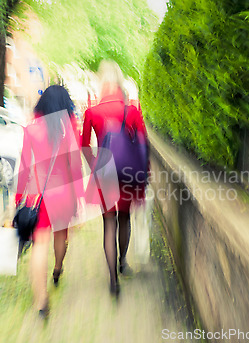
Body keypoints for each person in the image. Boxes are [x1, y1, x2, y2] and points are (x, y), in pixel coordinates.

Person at [15, 85, 84, 318]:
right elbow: (75, 167)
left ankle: (41, 301)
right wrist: (81, 199)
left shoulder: (31, 129)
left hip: (40, 196)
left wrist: (18, 199)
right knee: (62, 235)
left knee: (39, 245)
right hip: (64, 193)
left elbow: (24, 168)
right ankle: (57, 269)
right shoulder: (68, 130)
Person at [82, 61, 148, 296]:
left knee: (108, 222)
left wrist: (94, 165)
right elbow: (142, 144)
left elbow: (84, 146)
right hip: (128, 172)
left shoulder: (92, 112)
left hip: (105, 172)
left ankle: (113, 280)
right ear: (119, 82)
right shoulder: (132, 110)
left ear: (102, 83)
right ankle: (122, 262)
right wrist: (143, 174)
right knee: (124, 219)